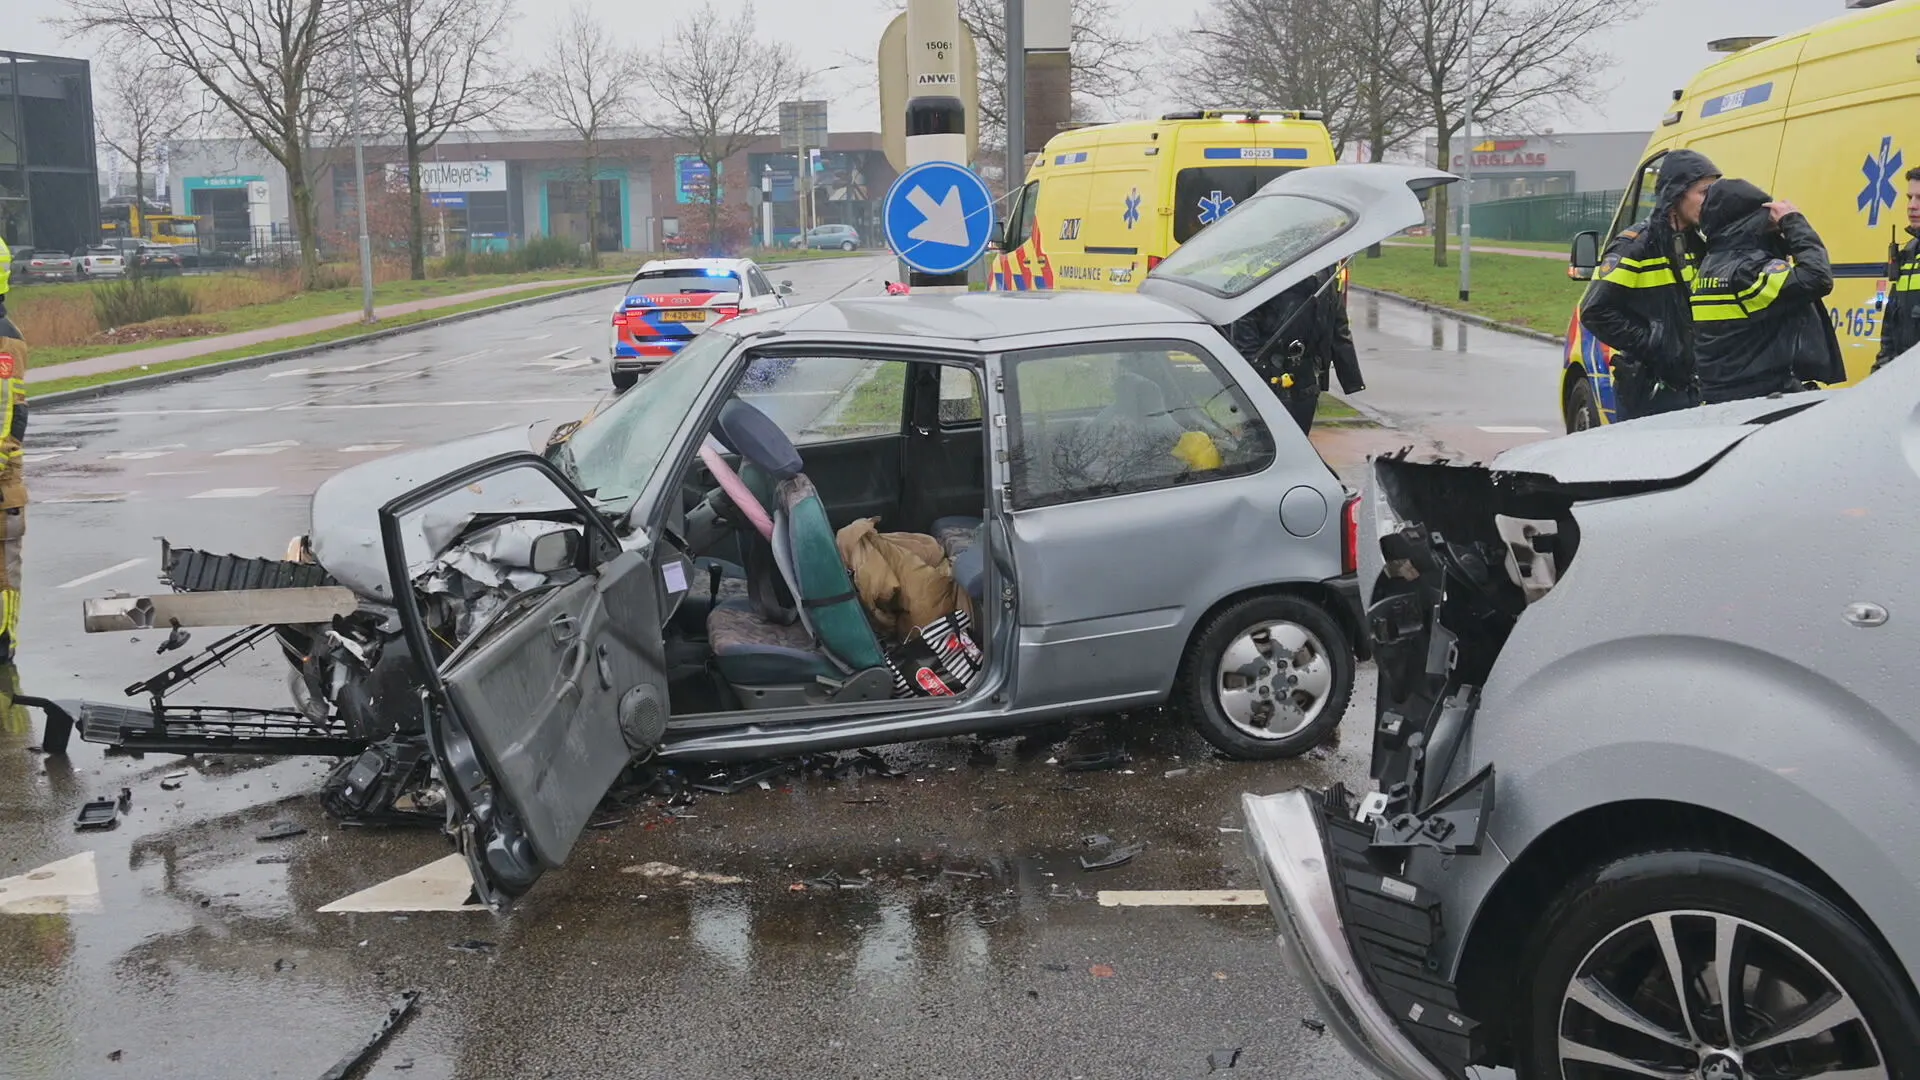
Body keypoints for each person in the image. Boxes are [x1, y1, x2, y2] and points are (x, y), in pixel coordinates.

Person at [1581, 150, 1721, 419]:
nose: (1711, 201)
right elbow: (1595, 311)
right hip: (1648, 391)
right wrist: (1656, 345)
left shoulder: (1698, 243)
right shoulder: (1635, 245)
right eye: (1705, 192)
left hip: (1690, 387)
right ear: (1676, 193)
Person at [1689, 179, 1842, 404]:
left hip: (1721, 395)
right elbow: (1817, 278)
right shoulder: (1747, 271)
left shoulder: (1711, 266)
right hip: (1761, 398)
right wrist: (1793, 222)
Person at [1226, 264, 1364, 434]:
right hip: (1270, 372)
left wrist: (1351, 378)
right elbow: (1245, 319)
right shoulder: (1270, 265)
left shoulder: (1328, 269)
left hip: (1306, 377)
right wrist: (1256, 370)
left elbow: (1337, 323)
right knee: (1265, 441)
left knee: (1299, 441)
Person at [1874, 166, 1920, 373]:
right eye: (1909, 198)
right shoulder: (1910, 250)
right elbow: (1891, 326)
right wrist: (1879, 375)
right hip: (1905, 383)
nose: (1912, 206)